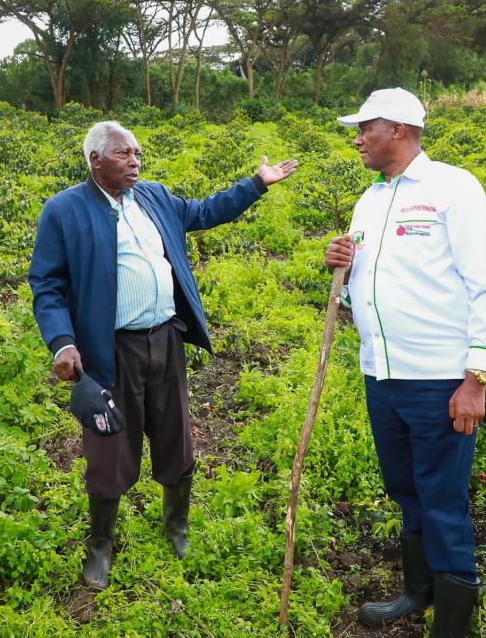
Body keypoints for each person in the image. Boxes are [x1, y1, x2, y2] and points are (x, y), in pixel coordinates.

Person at [29, 120, 297, 590]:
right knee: (109, 445)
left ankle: (177, 527)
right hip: (110, 350)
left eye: (137, 153)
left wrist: (257, 184)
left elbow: (205, 211)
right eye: (123, 154)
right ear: (95, 160)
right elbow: (46, 284)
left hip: (165, 340)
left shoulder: (153, 196)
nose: (135, 161)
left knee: (176, 435)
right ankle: (100, 545)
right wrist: (62, 342)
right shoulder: (65, 210)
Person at [324, 89, 486, 637]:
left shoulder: (453, 188)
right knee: (404, 487)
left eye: (366, 129)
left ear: (398, 130)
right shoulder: (370, 199)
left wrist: (475, 379)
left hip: (439, 380)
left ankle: (452, 628)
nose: (358, 139)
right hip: (382, 375)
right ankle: (417, 591)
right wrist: (341, 268)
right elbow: (364, 289)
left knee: (443, 500)